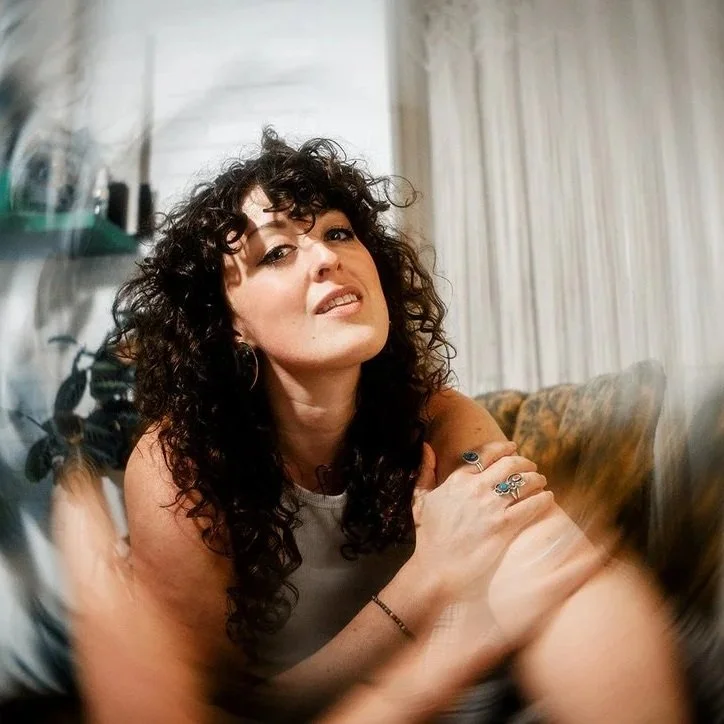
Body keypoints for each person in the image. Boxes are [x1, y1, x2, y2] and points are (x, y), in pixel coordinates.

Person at [108, 129, 688, 722]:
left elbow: (543, 555)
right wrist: (429, 578)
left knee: (578, 584)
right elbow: (219, 709)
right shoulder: (175, 465)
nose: (327, 258)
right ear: (231, 324)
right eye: (277, 252)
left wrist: (535, 530)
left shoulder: (437, 417)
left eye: (338, 232)